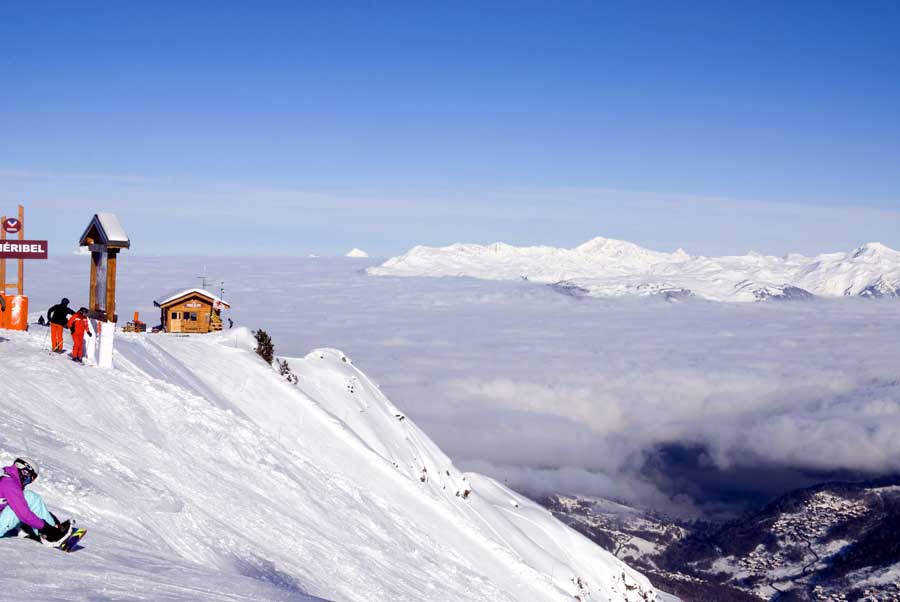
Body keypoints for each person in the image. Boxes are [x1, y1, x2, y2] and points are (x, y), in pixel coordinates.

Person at [0, 458, 73, 546]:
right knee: (30, 497)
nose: (31, 481)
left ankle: (30, 529)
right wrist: (46, 527)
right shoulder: (9, 484)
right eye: (32, 477)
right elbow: (23, 513)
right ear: (25, 471)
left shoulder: (5, 478)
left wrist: (44, 515)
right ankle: (53, 536)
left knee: (25, 501)